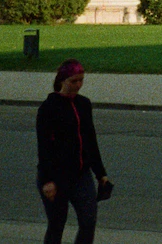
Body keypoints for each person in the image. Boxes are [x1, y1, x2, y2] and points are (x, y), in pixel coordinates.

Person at [36, 60, 110, 244]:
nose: (78, 85)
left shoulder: (84, 104)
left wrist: (101, 174)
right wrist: (48, 181)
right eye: (74, 81)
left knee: (88, 221)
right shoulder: (48, 108)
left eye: (81, 80)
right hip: (57, 177)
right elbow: (44, 147)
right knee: (57, 224)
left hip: (81, 175)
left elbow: (90, 141)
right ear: (63, 80)